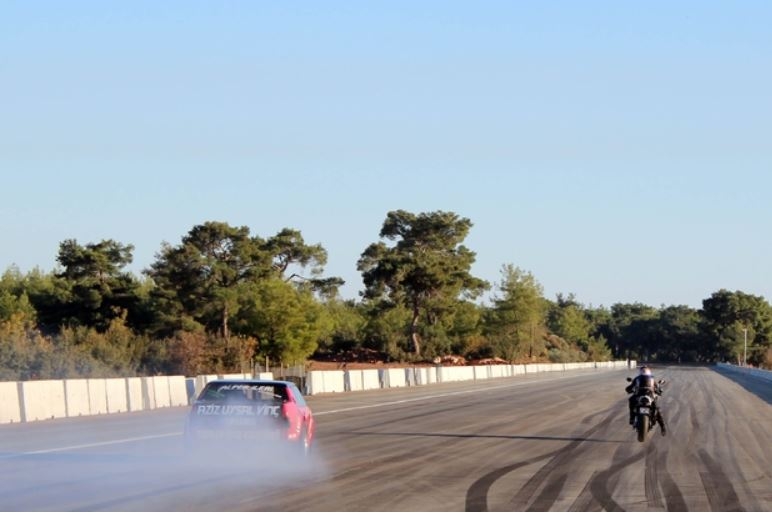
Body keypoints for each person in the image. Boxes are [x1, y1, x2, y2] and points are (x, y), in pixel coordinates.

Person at [625, 365, 667, 436]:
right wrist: (659, 391)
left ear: (640, 372)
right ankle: (663, 427)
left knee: (631, 401)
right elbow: (658, 389)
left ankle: (632, 418)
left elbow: (629, 388)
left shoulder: (637, 378)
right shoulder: (652, 379)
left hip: (638, 397)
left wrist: (629, 390)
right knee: (657, 411)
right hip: (650, 397)